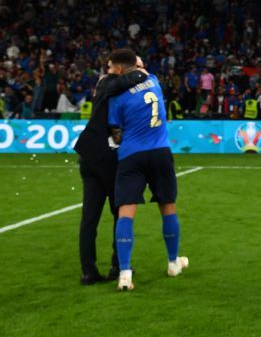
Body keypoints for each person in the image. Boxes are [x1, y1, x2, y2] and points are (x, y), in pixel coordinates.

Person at [107, 48, 187, 291]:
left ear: (119, 70)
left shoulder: (115, 97)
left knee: (125, 214)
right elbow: (139, 68)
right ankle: (173, 263)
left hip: (131, 155)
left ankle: (124, 274)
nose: (109, 72)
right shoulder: (153, 81)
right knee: (168, 208)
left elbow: (116, 133)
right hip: (160, 152)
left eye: (111, 68)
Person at [73, 54, 148, 285]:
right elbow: (127, 80)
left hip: (93, 156)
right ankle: (115, 265)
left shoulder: (120, 87)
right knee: (116, 213)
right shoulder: (108, 82)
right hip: (105, 159)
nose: (105, 69)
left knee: (92, 217)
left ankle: (93, 270)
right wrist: (141, 72)